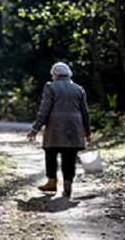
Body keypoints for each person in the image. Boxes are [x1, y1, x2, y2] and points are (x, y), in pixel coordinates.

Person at [27, 62, 91, 198]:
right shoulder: (79, 89)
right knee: (70, 156)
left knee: (50, 153)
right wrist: (87, 131)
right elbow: (85, 112)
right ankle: (68, 183)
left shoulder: (51, 87)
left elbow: (44, 110)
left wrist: (35, 129)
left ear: (55, 74)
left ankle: (52, 182)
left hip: (55, 127)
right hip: (74, 126)